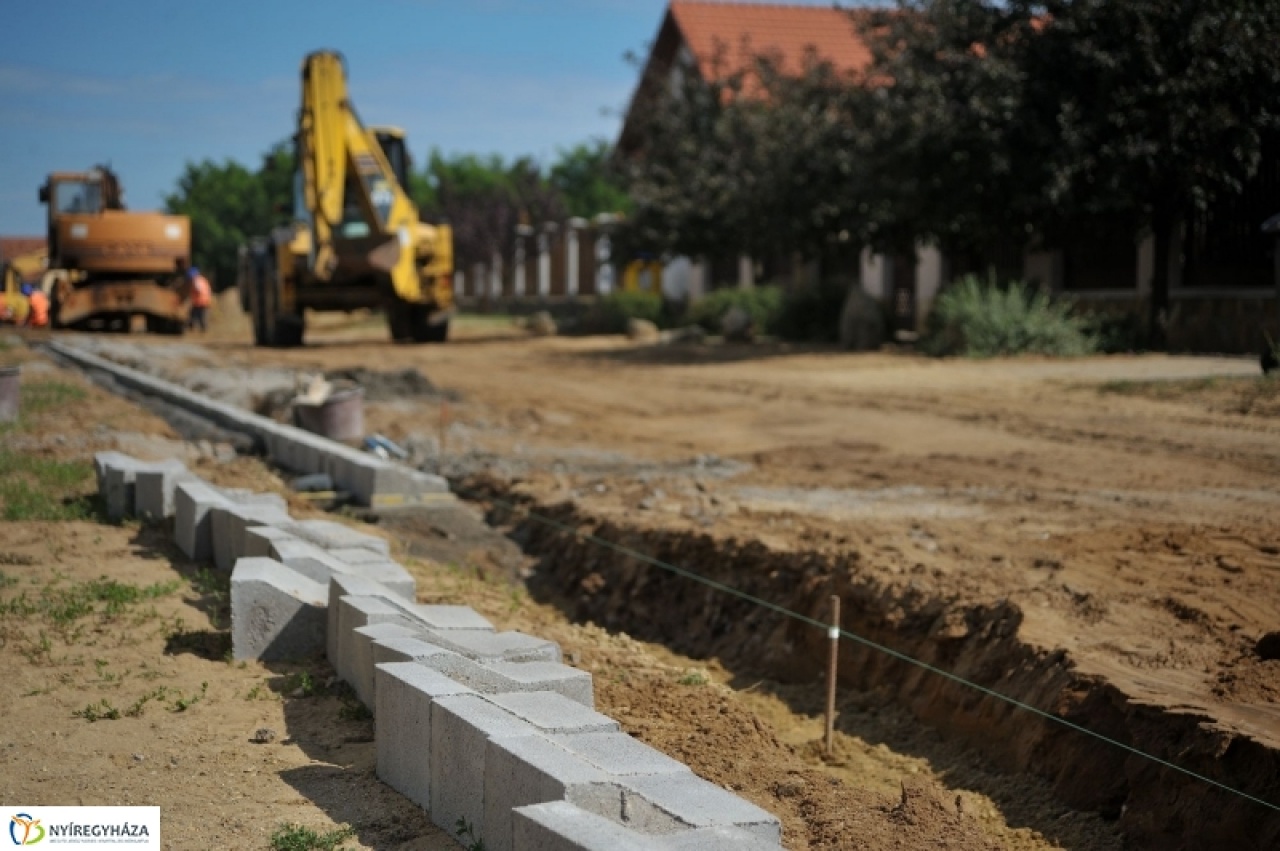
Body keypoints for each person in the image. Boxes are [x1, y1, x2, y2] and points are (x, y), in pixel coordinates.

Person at [187, 266, 212, 332]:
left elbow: (198, 289)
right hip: (203, 301)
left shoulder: (197, 281)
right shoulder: (202, 279)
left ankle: (201, 330)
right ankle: (201, 329)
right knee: (199, 316)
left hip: (200, 302)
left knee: (197, 316)